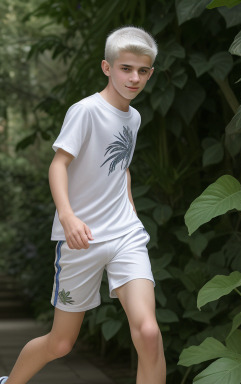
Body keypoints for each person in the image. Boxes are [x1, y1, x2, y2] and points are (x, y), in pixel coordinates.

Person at [0, 26, 166, 384]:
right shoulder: (86, 111)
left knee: (149, 334)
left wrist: (132, 214)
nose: (134, 78)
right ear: (107, 67)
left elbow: (122, 169)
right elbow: (58, 164)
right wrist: (68, 216)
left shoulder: (133, 118)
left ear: (150, 72)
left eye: (142, 71)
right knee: (60, 343)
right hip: (81, 239)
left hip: (125, 236)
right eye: (126, 68)